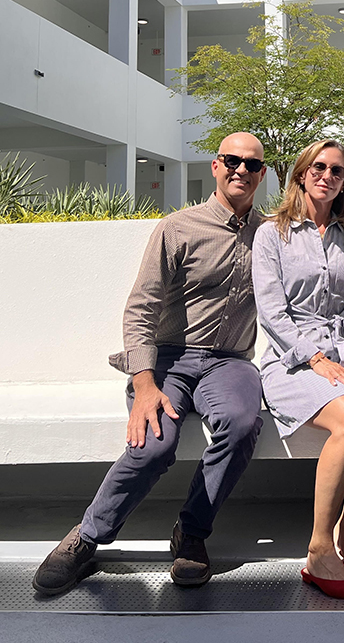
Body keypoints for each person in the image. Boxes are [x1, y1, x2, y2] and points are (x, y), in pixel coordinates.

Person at [33, 133, 268, 595]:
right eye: (232, 160)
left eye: (252, 165)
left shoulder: (272, 234)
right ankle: (87, 537)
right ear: (216, 167)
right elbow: (141, 307)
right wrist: (144, 383)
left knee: (241, 423)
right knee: (154, 443)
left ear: (262, 174)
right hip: (167, 358)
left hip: (229, 363)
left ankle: (192, 532)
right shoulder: (178, 227)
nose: (241, 169)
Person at [253, 139, 344, 601]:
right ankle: (318, 548)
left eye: (338, 172)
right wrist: (316, 359)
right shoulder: (271, 234)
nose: (327, 176)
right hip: (291, 358)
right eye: (319, 167)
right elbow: (272, 312)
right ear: (301, 174)